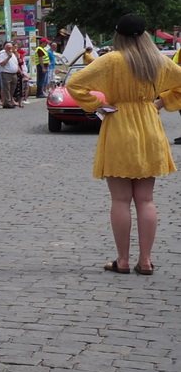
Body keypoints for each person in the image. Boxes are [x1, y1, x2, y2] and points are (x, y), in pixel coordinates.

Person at [64, 14, 181, 275]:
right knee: (146, 199)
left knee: (120, 199)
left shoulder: (112, 60)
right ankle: (147, 260)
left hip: (119, 125)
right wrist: (160, 103)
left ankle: (123, 260)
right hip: (149, 126)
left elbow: (74, 83)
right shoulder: (158, 62)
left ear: (119, 35)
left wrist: (98, 105)